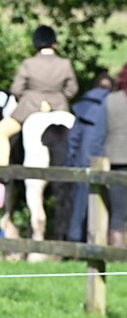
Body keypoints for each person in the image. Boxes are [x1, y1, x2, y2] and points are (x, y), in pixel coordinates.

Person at [0, 25, 78, 165]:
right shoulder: (65, 64)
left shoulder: (28, 63)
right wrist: (59, 97)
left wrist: (29, 97)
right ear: (54, 43)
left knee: (0, 133)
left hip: (29, 107)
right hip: (59, 107)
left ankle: (2, 173)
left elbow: (16, 89)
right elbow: (72, 89)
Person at [65, 73, 113, 242]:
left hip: (83, 162)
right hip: (109, 162)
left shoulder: (83, 107)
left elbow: (73, 139)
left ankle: (74, 240)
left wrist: (69, 163)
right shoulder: (114, 105)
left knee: (79, 204)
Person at [103, 70, 127, 248]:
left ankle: (117, 257)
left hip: (116, 160)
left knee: (117, 214)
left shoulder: (111, 100)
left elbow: (100, 133)